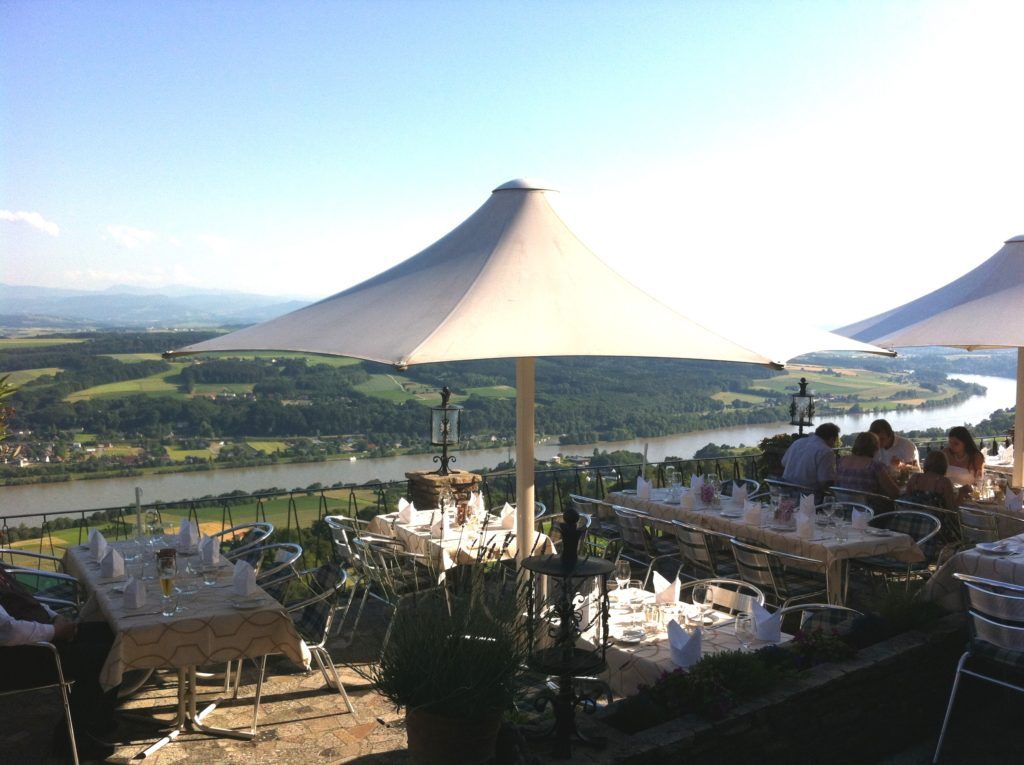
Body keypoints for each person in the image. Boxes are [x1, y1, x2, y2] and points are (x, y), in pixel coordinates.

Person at [0, 563, 118, 760]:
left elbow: (28, 601)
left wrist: (56, 618)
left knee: (111, 635)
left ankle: (98, 719)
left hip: (38, 641)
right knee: (99, 657)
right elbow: (7, 632)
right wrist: (56, 632)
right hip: (15, 661)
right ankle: (70, 742)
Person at [835, 432, 901, 500]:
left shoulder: (840, 461)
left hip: (843, 506)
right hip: (868, 509)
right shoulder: (875, 466)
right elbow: (895, 493)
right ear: (875, 447)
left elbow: (836, 485)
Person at [781, 423, 840, 497]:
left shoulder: (798, 442)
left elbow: (783, 463)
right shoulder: (826, 451)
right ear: (832, 439)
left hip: (785, 493)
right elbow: (825, 481)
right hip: (808, 497)